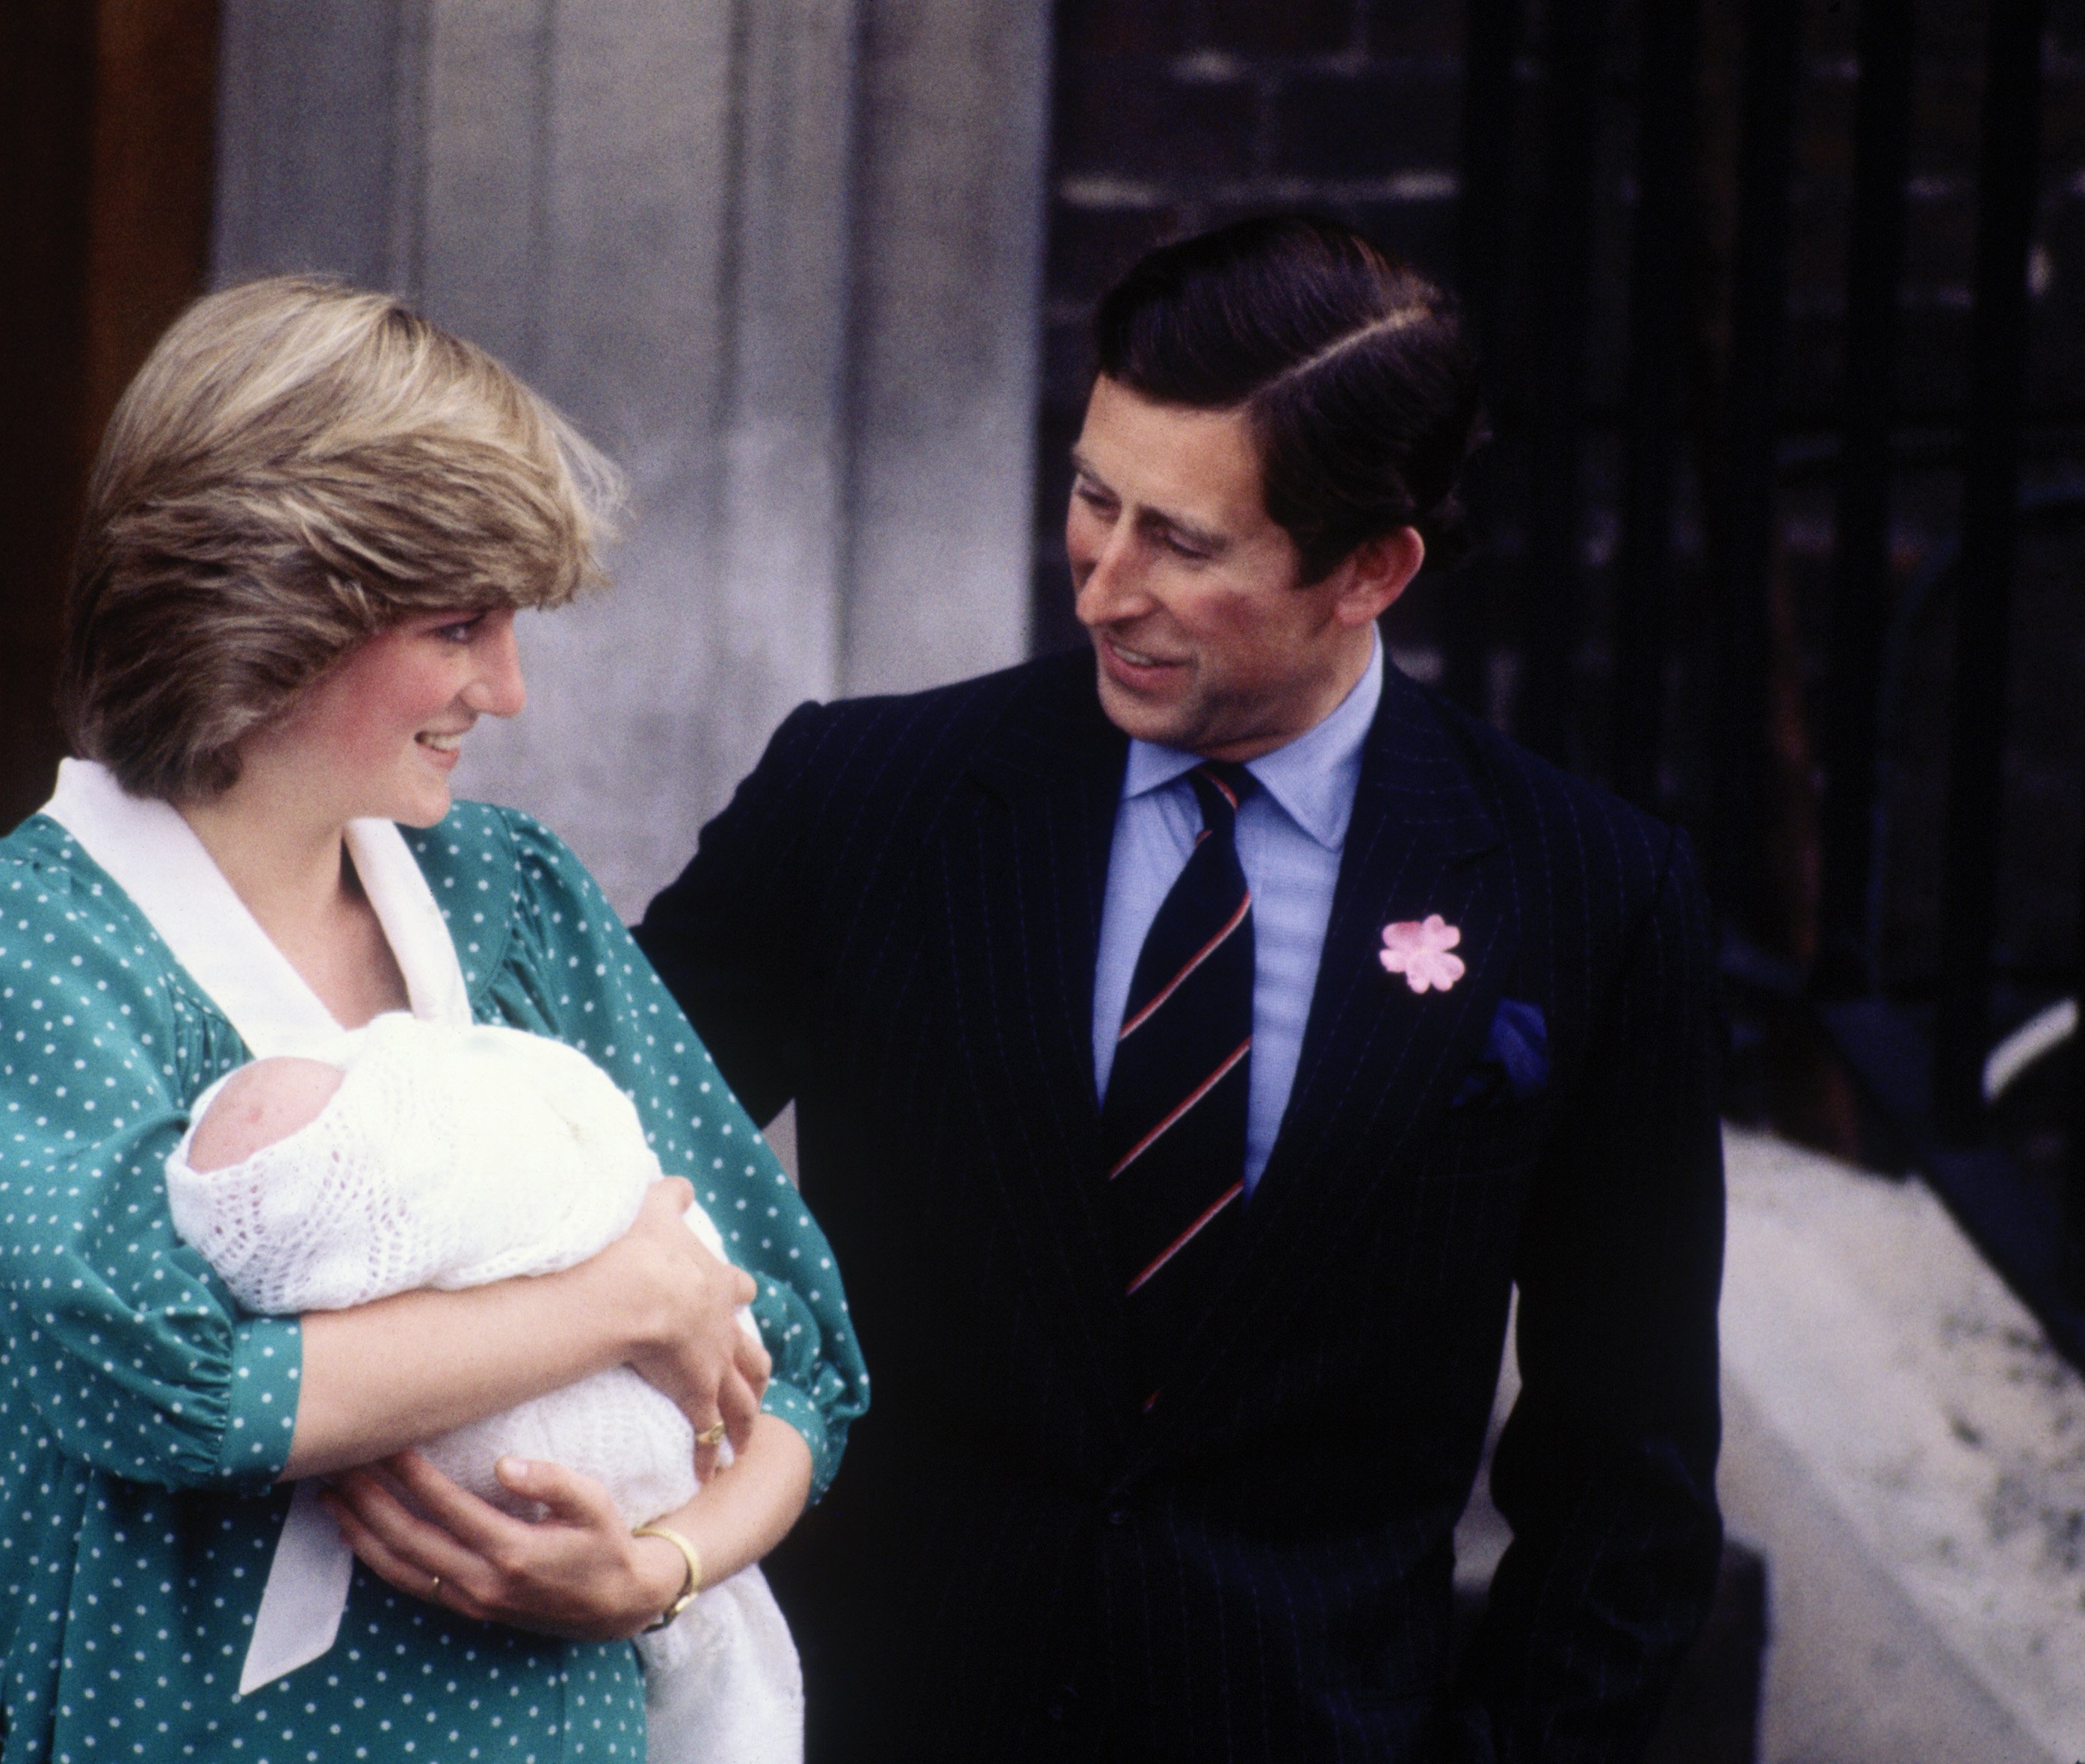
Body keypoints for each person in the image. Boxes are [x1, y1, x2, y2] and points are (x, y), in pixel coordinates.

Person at [634, 216, 1726, 1761]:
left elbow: (1627, 1468)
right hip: (868, 1712)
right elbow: (571, 1164)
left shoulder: (1591, 895)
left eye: (1185, 543)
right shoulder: (862, 795)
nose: (1100, 585)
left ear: (1371, 567)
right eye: (1093, 499)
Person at [0, 276, 866, 1764]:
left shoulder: (511, 895)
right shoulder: (31, 942)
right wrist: (621, 1298)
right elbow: (169, 1386)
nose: (507, 687)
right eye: (456, 626)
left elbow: (796, 1354)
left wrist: (656, 1569)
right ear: (268, 609)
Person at [164, 1012, 803, 1763]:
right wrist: (631, 1297)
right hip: (268, 1712)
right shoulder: (57, 953)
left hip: (606, 1685)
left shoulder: (521, 911)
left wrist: (665, 1569)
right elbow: (190, 1395)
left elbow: (799, 1381)